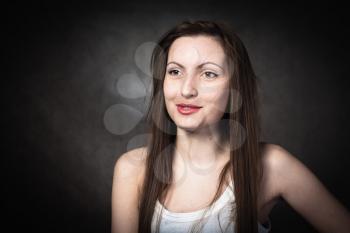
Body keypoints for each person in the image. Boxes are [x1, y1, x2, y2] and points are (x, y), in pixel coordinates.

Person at [111, 20, 350, 233]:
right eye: (174, 71)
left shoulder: (270, 164)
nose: (186, 90)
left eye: (208, 74)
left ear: (235, 88)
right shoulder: (132, 169)